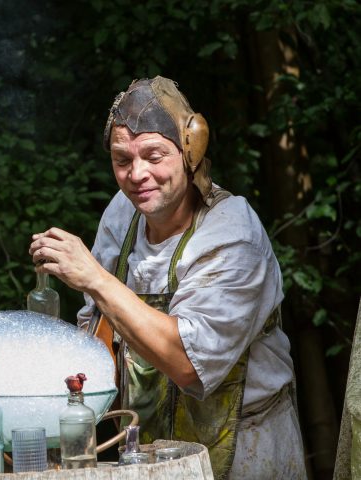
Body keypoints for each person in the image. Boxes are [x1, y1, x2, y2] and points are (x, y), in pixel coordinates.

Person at [29, 76, 307, 479]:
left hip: (246, 452)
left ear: (190, 149)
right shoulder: (122, 216)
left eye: (154, 155)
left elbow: (189, 364)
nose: (137, 174)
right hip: (149, 455)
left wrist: (94, 277)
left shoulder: (231, 233)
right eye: (122, 160)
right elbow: (102, 334)